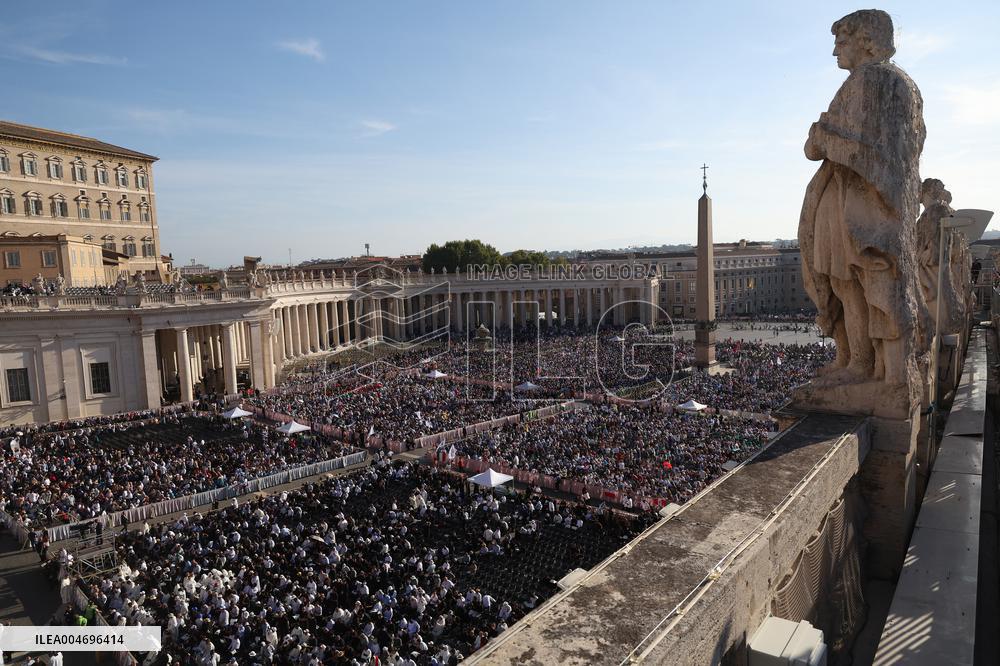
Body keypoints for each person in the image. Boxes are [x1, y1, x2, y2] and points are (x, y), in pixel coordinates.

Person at [799, 9, 925, 388]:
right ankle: (857, 361)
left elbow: (832, 146)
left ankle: (860, 364)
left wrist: (822, 137)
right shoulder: (899, 83)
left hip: (856, 203)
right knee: (847, 284)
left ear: (865, 41)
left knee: (850, 283)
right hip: (857, 199)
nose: (835, 51)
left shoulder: (869, 81)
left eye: (841, 42)